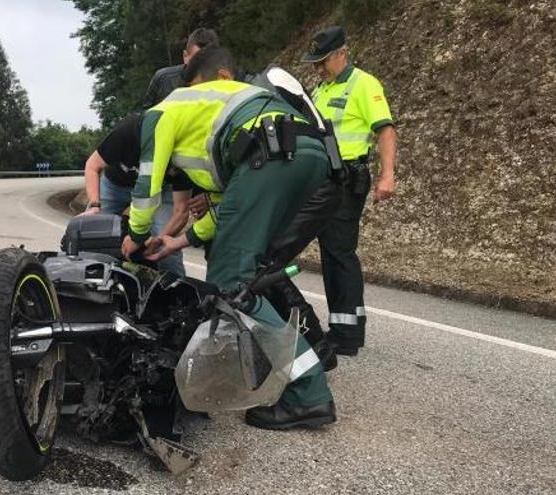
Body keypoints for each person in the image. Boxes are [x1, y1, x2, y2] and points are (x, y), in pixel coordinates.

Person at [122, 46, 337, 430]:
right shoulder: (215, 117)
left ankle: (308, 392)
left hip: (270, 153)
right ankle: (285, 367)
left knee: (229, 285)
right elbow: (228, 209)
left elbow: (145, 186)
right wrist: (178, 241)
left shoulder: (161, 113)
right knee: (247, 271)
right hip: (307, 155)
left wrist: (135, 237)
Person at [303, 26, 398, 356]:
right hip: (324, 180)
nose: (318, 68)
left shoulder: (364, 84)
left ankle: (345, 336)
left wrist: (388, 175)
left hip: (348, 178)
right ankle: (347, 327)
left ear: (342, 54)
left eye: (323, 61)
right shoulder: (320, 90)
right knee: (332, 253)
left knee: (340, 253)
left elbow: (385, 130)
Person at [81, 113, 191, 276]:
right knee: (98, 234)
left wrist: (159, 240)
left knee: (168, 248)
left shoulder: (185, 151)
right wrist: (95, 205)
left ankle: (177, 293)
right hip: (115, 186)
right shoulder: (127, 132)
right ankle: (94, 282)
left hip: (161, 192)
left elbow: (181, 211)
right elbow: (92, 166)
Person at [142, 28, 219, 108]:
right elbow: (146, 114)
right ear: (185, 56)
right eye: (196, 60)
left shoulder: (222, 86)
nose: (202, 66)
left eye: (208, 61)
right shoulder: (164, 79)